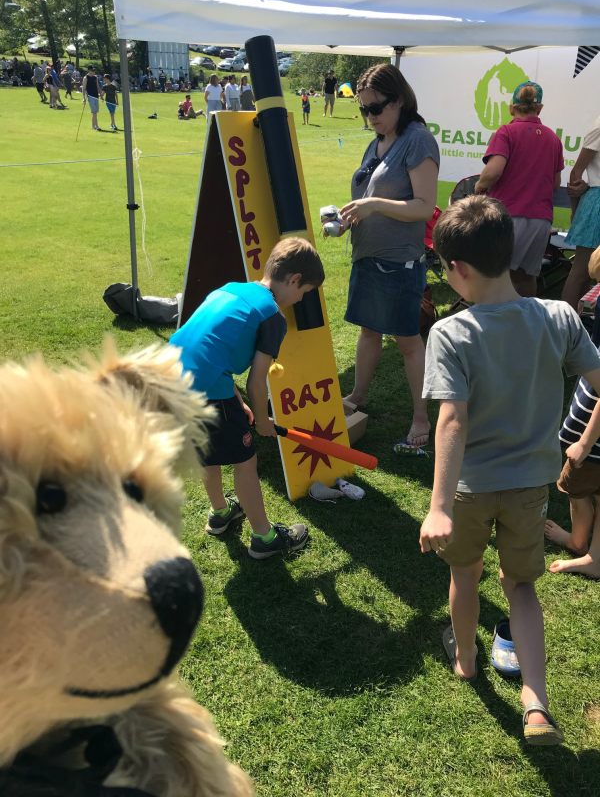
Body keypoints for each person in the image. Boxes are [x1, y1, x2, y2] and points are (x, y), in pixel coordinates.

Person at [419, 195, 600, 745]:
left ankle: (468, 660)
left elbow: (451, 419)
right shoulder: (560, 315)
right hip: (529, 488)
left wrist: (439, 506)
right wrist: (581, 434)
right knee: (522, 586)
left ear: (459, 269)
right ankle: (537, 702)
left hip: (471, 489)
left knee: (465, 573)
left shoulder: (450, 334)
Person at [169, 238, 325, 559]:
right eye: (304, 292)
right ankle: (265, 539)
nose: (299, 299)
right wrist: (264, 420)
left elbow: (211, 351)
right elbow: (257, 382)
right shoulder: (273, 317)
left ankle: (221, 513)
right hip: (206, 389)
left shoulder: (231, 289)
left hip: (170, 377)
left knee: (206, 455)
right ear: (294, 280)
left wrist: (236, 402)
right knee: (245, 462)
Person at [337, 63, 439, 449]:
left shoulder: (418, 140)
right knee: (368, 331)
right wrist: (352, 216)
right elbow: (370, 196)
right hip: (368, 256)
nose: (370, 117)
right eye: (364, 109)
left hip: (399, 262)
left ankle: (420, 420)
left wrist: (375, 205)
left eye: (376, 108)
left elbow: (424, 206)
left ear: (399, 101)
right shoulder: (378, 139)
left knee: (409, 342)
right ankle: (358, 396)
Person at [475, 81, 563, 298]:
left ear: (511, 107)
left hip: (508, 216)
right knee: (526, 277)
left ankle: (494, 326)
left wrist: (480, 186)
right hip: (540, 219)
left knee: (496, 275)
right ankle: (524, 325)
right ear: (539, 108)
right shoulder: (553, 138)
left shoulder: (506, 132)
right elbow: (555, 183)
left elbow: (493, 171)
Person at [544, 244, 600, 578]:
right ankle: (595, 556)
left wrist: (585, 441)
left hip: (590, 436)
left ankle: (578, 541)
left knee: (576, 489)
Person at [561, 115, 600, 309]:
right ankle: (564, 329)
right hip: (596, 203)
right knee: (583, 271)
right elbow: (576, 174)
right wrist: (576, 212)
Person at [82, 65, 101, 130]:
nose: (94, 72)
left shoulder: (95, 77)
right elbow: (83, 88)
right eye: (92, 70)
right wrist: (84, 98)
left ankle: (93, 126)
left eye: (94, 70)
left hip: (96, 96)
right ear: (89, 71)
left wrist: (101, 94)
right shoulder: (86, 78)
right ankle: (97, 126)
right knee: (94, 112)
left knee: (95, 112)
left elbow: (97, 86)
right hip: (90, 96)